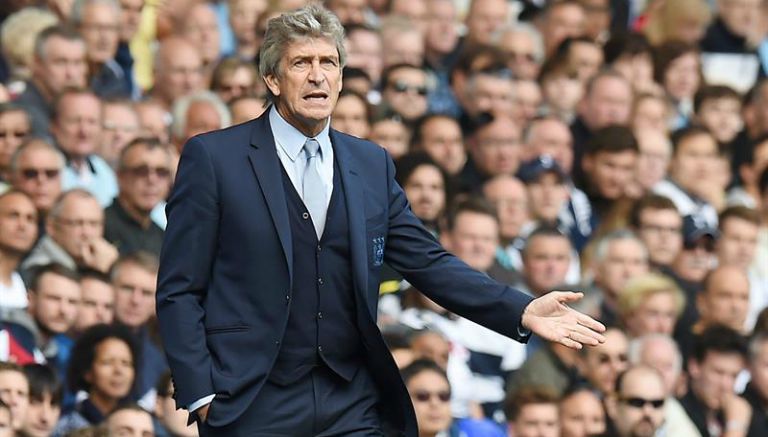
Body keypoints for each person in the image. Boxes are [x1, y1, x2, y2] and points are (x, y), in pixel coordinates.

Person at [156, 5, 605, 436]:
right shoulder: (215, 158)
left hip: (350, 398)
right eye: (301, 63)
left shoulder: (369, 163)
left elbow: (427, 261)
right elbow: (179, 287)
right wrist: (201, 392)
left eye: (329, 62)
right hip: (253, 398)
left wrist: (520, 309)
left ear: (341, 77)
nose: (317, 75)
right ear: (272, 78)